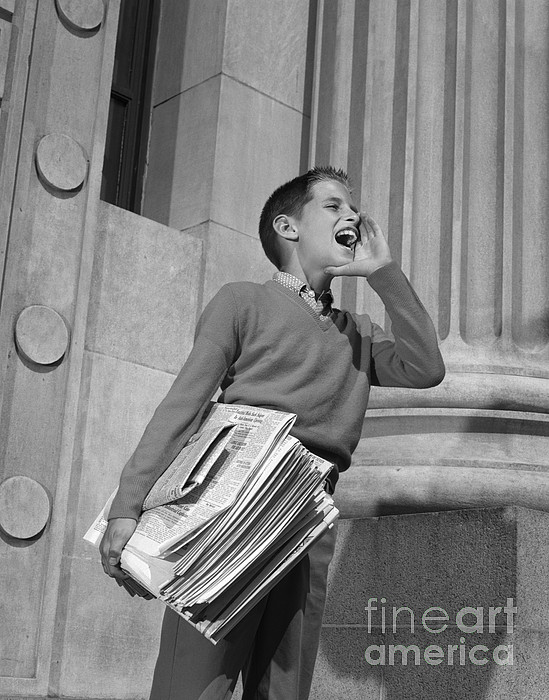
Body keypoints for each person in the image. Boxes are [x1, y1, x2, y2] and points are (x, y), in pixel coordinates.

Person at [100, 166, 445, 699]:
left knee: (284, 690)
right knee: (195, 686)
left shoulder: (359, 333)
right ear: (288, 227)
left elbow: (426, 368)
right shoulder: (243, 301)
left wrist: (385, 274)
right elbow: (183, 406)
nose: (351, 215)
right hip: (230, 513)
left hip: (309, 521)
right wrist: (127, 506)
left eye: (351, 207)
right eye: (333, 206)